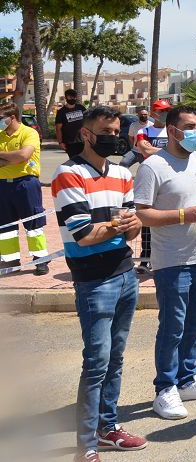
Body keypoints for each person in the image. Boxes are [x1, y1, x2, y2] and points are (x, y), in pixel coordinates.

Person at [53, 106, 147, 460]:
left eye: (117, 130)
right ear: (87, 134)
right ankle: (86, 445)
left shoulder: (122, 173)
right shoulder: (68, 174)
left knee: (116, 358)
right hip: (93, 281)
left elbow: (133, 226)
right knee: (96, 362)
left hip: (125, 273)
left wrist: (126, 225)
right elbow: (83, 234)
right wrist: (117, 226)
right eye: (106, 131)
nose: (114, 136)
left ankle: (108, 428)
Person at [135, 105, 196, 420]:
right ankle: (165, 389)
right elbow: (143, 213)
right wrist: (184, 215)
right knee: (172, 327)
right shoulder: (154, 166)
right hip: (173, 262)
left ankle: (187, 379)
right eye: (188, 126)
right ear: (171, 130)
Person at [0, 101, 48, 274]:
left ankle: (41, 260)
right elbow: (17, 158)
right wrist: (12, 158)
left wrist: (10, 157)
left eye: (1, 118)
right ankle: (10, 261)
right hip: (3, 185)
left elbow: (23, 155)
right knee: (5, 226)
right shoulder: (0, 134)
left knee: (34, 222)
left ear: (12, 117)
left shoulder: (29, 133)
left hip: (26, 183)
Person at [134, 99, 172, 274]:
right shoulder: (145, 131)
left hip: (169, 178)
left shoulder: (172, 130)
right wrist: (170, 151)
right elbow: (144, 150)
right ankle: (145, 258)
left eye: (167, 111)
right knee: (147, 219)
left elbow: (151, 150)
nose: (165, 114)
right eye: (162, 111)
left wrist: (155, 150)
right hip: (151, 180)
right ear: (154, 113)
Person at [56, 89, 88, 158]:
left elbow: (88, 121)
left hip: (83, 141)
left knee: (86, 161)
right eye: (70, 97)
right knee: (75, 162)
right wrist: (60, 142)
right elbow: (58, 128)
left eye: (74, 97)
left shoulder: (81, 108)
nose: (72, 99)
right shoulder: (61, 112)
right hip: (70, 143)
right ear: (66, 98)